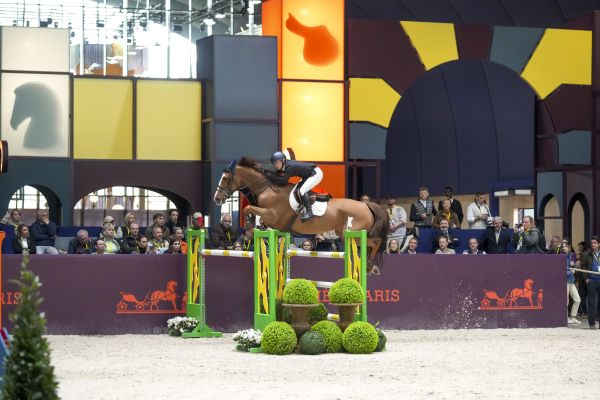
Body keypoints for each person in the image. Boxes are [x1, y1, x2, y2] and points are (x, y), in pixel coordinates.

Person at [267, 151, 323, 222]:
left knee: (302, 191)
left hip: (315, 174)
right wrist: (267, 172)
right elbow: (277, 174)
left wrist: (270, 175)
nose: (275, 165)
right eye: (274, 163)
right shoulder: (284, 165)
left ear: (283, 161)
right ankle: (303, 207)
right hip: (307, 175)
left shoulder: (290, 167)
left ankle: (310, 213)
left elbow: (283, 181)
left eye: (277, 162)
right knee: (297, 190)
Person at [580, 236, 600, 329]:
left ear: (599, 244)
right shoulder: (586, 254)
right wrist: (586, 279)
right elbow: (582, 266)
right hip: (591, 281)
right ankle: (592, 324)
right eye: (592, 243)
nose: (593, 245)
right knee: (591, 303)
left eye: (595, 243)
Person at [562, 240, 581, 324]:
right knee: (566, 301)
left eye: (565, 246)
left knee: (577, 299)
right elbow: (562, 271)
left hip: (571, 282)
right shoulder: (561, 257)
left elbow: (574, 266)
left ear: (569, 247)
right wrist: (571, 272)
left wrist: (575, 269)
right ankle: (565, 318)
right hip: (565, 282)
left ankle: (573, 317)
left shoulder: (572, 256)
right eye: (563, 247)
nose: (564, 248)